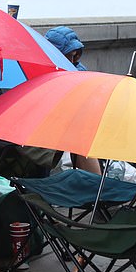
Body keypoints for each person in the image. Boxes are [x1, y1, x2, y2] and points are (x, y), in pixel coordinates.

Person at [43, 26, 103, 175]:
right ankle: (96, 184)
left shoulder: (78, 71)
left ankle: (95, 183)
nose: (70, 60)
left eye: (74, 56)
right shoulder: (44, 73)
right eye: (67, 56)